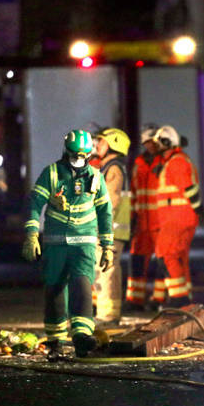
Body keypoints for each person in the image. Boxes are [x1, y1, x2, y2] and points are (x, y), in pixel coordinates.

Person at [21, 129, 114, 360]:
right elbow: (34, 202)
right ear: (66, 151)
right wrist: (32, 233)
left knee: (82, 286)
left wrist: (108, 246)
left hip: (84, 244)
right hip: (56, 244)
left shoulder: (95, 176)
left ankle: (82, 337)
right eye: (74, 155)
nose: (78, 161)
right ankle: (55, 341)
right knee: (54, 289)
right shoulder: (52, 173)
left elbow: (105, 212)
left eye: (83, 156)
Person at [153, 125, 201, 307]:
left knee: (165, 254)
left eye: (159, 145)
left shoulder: (176, 162)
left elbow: (188, 189)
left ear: (167, 143)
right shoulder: (177, 161)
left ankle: (179, 298)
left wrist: (198, 208)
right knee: (179, 257)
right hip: (180, 217)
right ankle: (185, 297)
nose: (156, 149)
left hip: (177, 218)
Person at [90, 128, 131, 325]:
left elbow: (110, 201)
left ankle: (108, 316)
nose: (97, 145)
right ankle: (105, 313)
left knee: (107, 270)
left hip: (110, 230)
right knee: (104, 270)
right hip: (109, 229)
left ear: (113, 145)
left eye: (102, 142)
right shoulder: (107, 167)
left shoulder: (113, 169)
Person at [125, 125, 161, 310]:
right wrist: (130, 219)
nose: (150, 146)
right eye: (147, 142)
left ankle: (159, 300)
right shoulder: (139, 164)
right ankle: (135, 300)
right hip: (141, 223)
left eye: (153, 142)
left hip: (160, 221)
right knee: (137, 260)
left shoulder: (165, 162)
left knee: (162, 262)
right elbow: (133, 192)